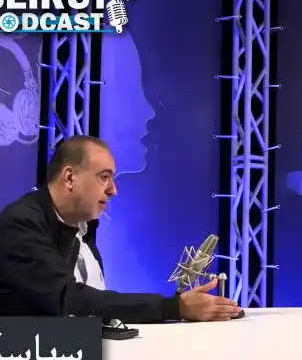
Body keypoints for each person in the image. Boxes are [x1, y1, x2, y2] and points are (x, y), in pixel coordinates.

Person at [0, 135, 241, 323]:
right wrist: (174, 307)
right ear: (70, 178)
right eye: (104, 177)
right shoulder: (20, 224)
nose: (113, 190)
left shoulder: (81, 226)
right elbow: (69, 299)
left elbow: (93, 303)